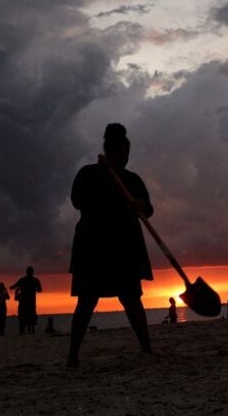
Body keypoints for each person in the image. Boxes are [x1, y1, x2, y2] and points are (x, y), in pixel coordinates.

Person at [67, 123, 154, 368]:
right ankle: (73, 355)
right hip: (93, 247)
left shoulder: (131, 179)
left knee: (131, 298)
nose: (125, 159)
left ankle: (147, 349)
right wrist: (103, 180)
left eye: (128, 155)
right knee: (86, 301)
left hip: (124, 248)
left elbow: (148, 209)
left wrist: (140, 206)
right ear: (111, 151)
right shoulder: (88, 174)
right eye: (122, 154)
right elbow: (76, 201)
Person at [10, 267, 42, 334]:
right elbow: (40, 290)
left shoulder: (28, 280)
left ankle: (28, 330)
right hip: (27, 301)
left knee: (28, 315)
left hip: (27, 301)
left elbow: (40, 289)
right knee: (28, 315)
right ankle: (29, 330)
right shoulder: (33, 280)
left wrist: (33, 289)